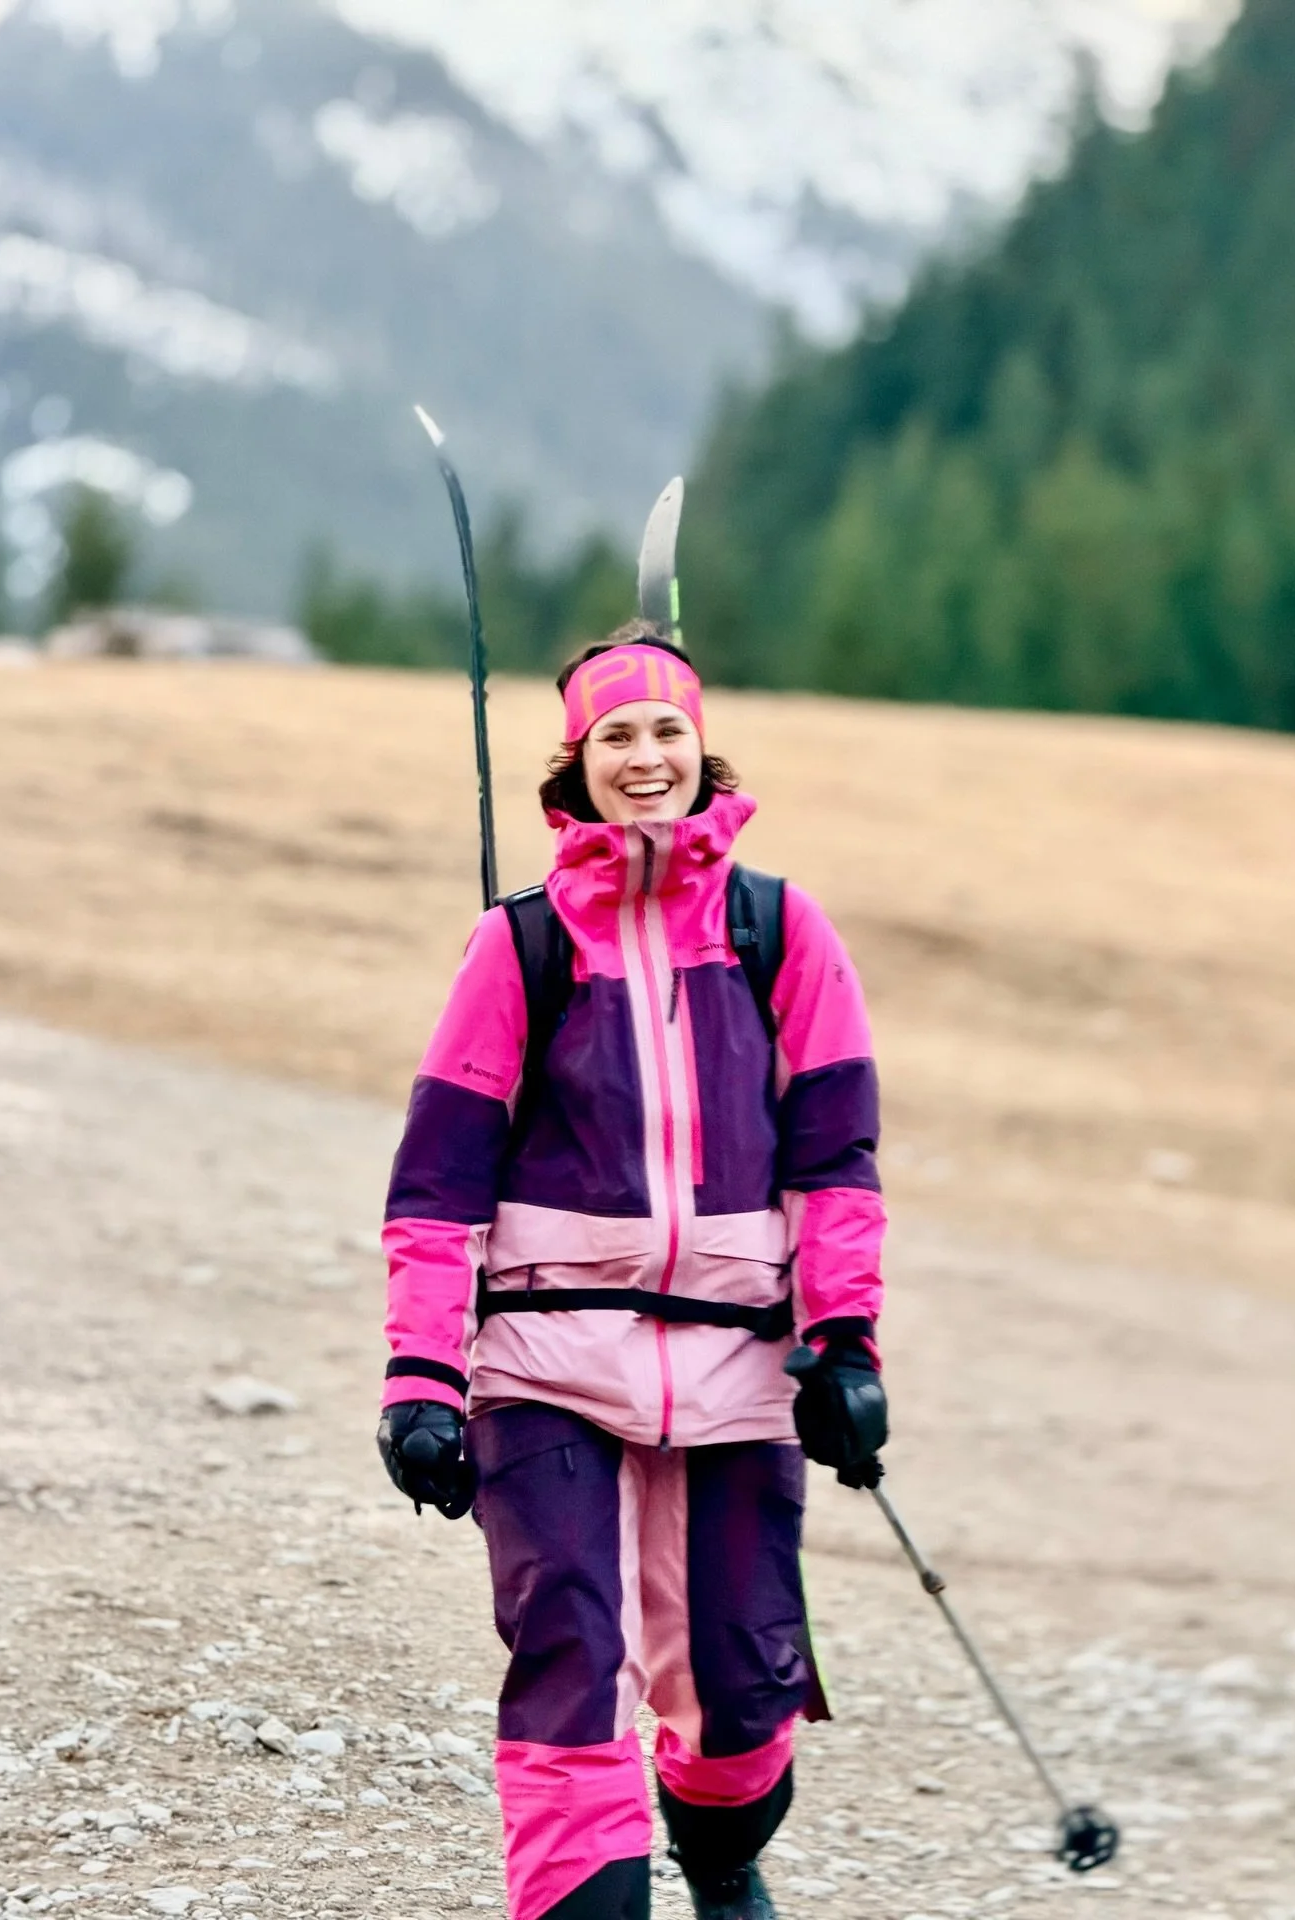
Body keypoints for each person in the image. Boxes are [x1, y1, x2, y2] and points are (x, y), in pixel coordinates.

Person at [376, 622, 888, 1920]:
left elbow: (836, 1159)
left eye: (666, 731)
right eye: (618, 734)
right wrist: (424, 1371)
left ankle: (722, 1855)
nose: (645, 755)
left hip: (737, 1368)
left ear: (701, 749)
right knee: (569, 1648)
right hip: (546, 1367)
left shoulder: (782, 932)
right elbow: (438, 1182)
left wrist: (846, 1341)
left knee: (737, 1689)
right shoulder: (523, 947)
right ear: (579, 762)